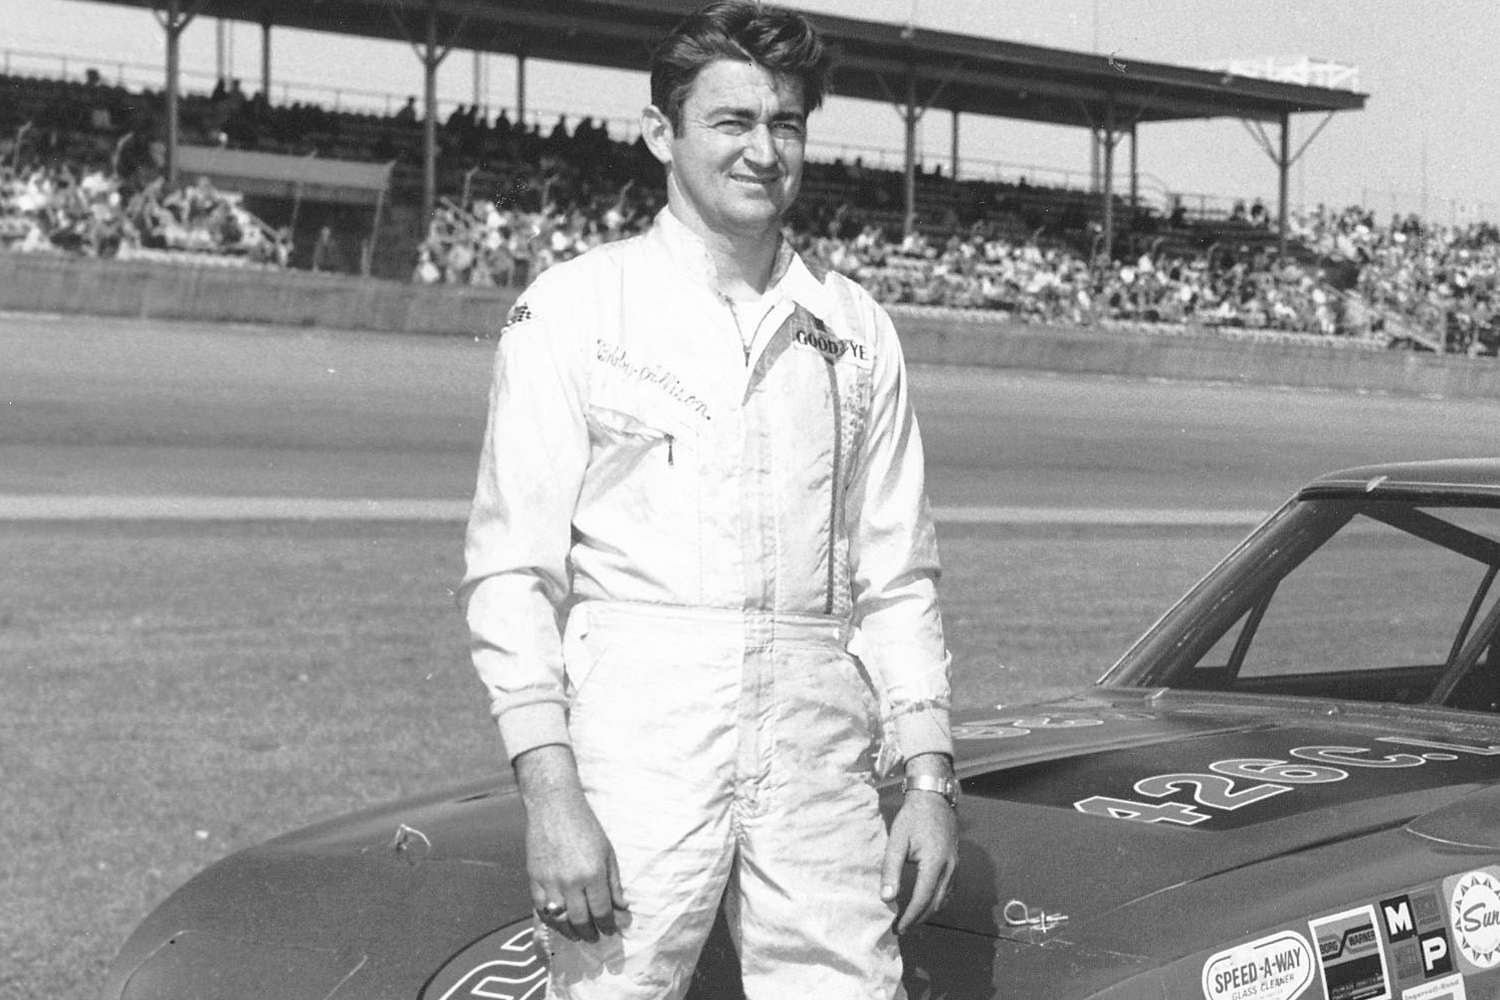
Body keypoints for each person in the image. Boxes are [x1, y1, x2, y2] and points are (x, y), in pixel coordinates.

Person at [459, 3, 957, 997]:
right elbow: (512, 575)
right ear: (664, 133)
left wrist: (932, 773)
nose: (763, 150)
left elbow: (898, 572)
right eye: (732, 121)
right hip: (637, 738)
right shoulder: (576, 308)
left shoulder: (854, 329)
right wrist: (551, 793)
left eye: (786, 123)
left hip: (817, 739)